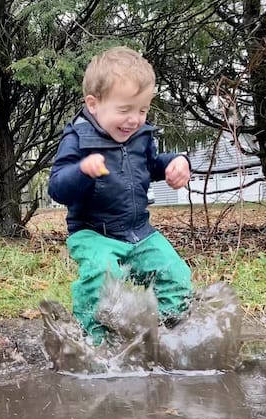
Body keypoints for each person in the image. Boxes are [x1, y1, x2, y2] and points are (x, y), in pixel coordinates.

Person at [48, 46, 192, 345]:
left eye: (142, 110)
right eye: (124, 110)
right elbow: (57, 187)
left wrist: (176, 161)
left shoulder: (140, 136)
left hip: (139, 232)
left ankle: (167, 335)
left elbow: (151, 165)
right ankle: (95, 341)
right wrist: (82, 171)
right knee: (102, 274)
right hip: (93, 233)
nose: (134, 120)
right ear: (94, 103)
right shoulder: (77, 138)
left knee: (175, 273)